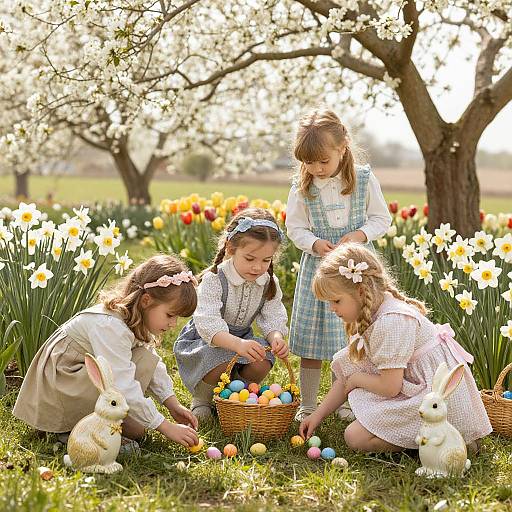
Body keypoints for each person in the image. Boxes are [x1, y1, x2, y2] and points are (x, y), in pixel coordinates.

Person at [299, 243, 492, 452]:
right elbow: (349, 374)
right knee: (356, 429)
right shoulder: (367, 314)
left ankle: (442, 438)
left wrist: (357, 380)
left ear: (361, 291)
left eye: (336, 301)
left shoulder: (391, 322)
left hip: (434, 396)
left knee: (355, 437)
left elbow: (389, 387)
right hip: (410, 385)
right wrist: (316, 415)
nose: (332, 309)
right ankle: (436, 437)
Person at [13, 255, 200, 449]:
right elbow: (121, 384)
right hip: (64, 385)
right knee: (137, 418)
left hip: (82, 380)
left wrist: (172, 405)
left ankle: (100, 424)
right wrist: (165, 426)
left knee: (138, 428)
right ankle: (72, 430)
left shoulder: (136, 319)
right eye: (170, 315)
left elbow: (151, 366)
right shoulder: (111, 327)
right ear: (146, 301)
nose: (172, 324)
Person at [286, 108, 391, 419]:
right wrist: (314, 243)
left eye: (323, 161)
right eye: (308, 162)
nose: (316, 169)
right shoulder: (302, 188)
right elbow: (295, 227)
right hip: (319, 273)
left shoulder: (363, 180)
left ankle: (344, 400)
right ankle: (308, 403)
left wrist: (359, 235)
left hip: (355, 273)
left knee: (349, 340)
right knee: (313, 340)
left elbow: (381, 218)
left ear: (342, 147)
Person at [174, 207, 289, 420]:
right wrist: (238, 345)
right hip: (208, 340)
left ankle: (235, 394)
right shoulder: (215, 279)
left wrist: (276, 338)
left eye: (266, 261)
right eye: (250, 258)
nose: (257, 267)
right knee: (219, 356)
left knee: (262, 358)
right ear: (230, 248)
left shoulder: (268, 282)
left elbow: (273, 315)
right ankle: (202, 398)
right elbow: (208, 323)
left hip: (241, 339)